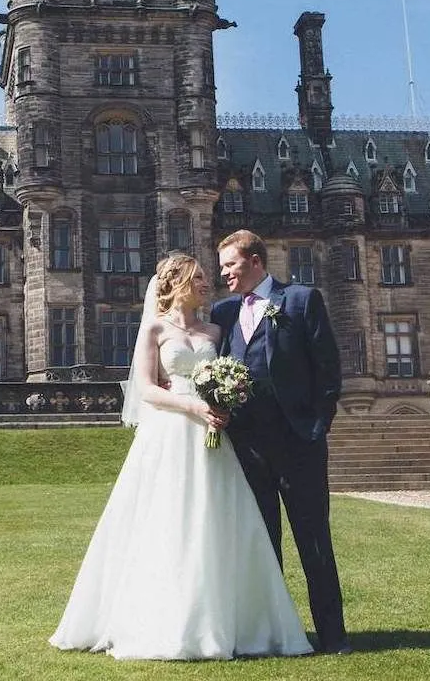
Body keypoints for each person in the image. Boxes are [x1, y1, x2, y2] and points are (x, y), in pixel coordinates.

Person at [50, 252, 312, 661]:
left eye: (209, 276)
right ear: (177, 283)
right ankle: (165, 619)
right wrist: (192, 406)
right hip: (171, 430)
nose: (209, 282)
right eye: (200, 277)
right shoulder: (154, 327)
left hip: (212, 434)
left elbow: (232, 369)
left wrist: (224, 400)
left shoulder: (216, 326)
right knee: (167, 520)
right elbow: (146, 389)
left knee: (216, 521)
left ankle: (230, 620)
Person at [213, 229, 348, 655]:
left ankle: (333, 636)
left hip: (297, 445)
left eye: (230, 265)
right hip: (247, 449)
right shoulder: (224, 312)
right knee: (263, 548)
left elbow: (328, 369)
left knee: (314, 543)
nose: (224, 275)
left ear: (254, 261)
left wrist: (316, 428)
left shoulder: (301, 300)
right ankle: (275, 635)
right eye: (221, 268)